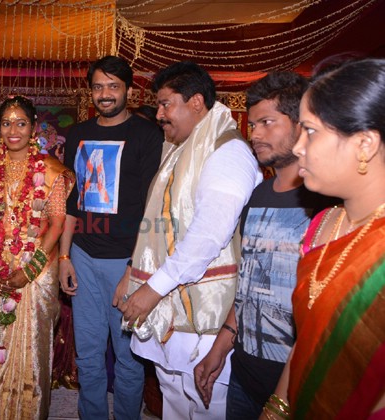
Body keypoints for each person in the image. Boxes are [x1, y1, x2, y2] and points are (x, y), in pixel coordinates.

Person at [115, 61, 261, 419]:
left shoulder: (227, 152)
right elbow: (158, 224)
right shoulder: (180, 148)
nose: (159, 114)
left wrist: (152, 290)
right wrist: (133, 272)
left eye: (166, 104)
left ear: (196, 102)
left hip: (207, 313)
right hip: (173, 304)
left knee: (207, 404)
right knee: (175, 397)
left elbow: (208, 236)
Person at [192, 72, 336, 419]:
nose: (254, 134)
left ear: (302, 125)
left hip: (299, 384)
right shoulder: (257, 195)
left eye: (267, 123)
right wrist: (220, 347)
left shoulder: (327, 203)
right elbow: (249, 281)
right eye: (253, 124)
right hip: (244, 374)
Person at [263, 58, 385, 419]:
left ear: (364, 144)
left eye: (311, 131)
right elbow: (306, 341)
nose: (298, 147)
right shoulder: (321, 224)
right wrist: (276, 409)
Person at [59, 55, 163, 419]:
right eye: (98, 87)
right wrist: (64, 257)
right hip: (83, 256)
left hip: (126, 260)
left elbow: (152, 208)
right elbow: (70, 201)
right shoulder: (77, 134)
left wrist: (134, 268)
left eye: (113, 86)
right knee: (88, 354)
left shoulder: (148, 136)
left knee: (128, 358)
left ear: (129, 91)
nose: (105, 94)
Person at [0, 95, 74, 418]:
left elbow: (57, 224)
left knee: (32, 348)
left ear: (34, 128)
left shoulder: (51, 170)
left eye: (21, 123)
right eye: (6, 123)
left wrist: (28, 271)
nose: (13, 130)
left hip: (37, 267)